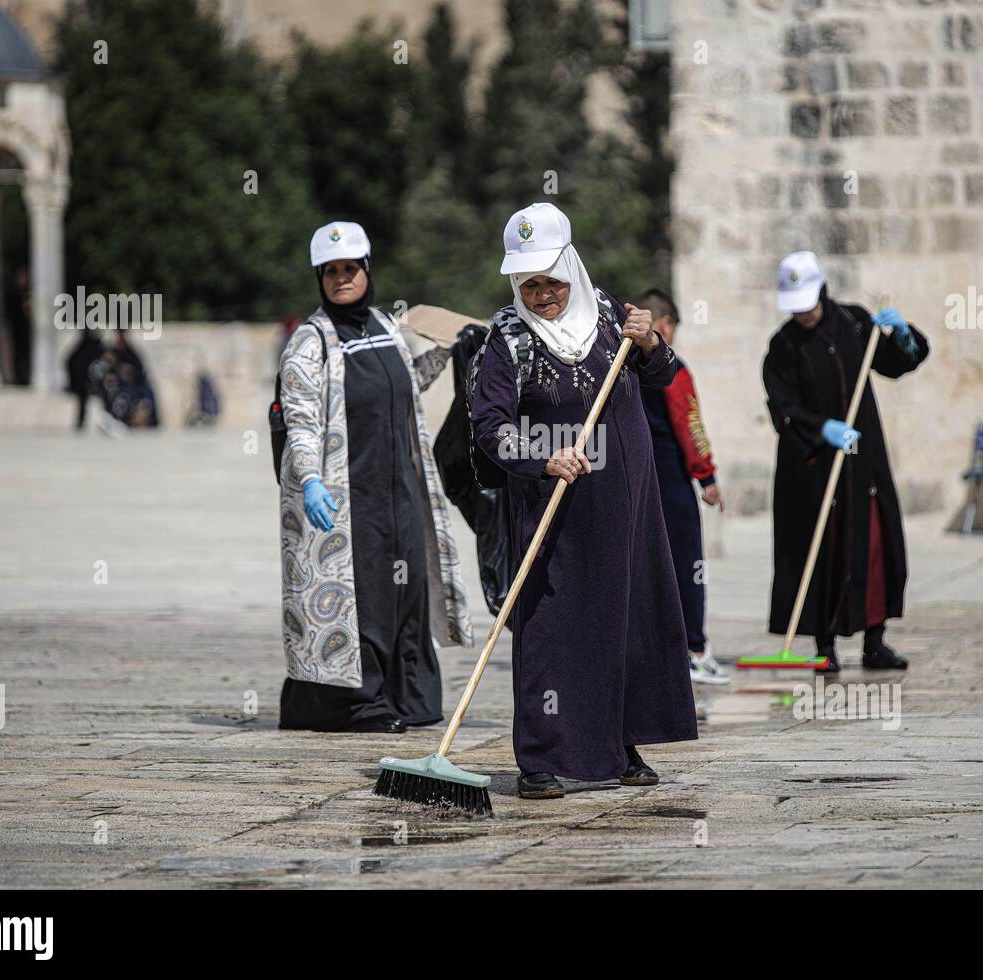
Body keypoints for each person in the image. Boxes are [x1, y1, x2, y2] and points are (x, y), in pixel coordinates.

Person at [470, 203, 697, 799]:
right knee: (551, 626)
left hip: (624, 498)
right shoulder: (508, 338)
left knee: (624, 617)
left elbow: (664, 376)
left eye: (551, 280)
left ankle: (622, 745)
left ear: (572, 266)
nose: (542, 294)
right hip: (554, 502)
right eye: (529, 283)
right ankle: (542, 757)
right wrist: (541, 458)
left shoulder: (607, 313)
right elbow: (489, 424)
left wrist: (649, 343)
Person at [277, 220, 472, 733]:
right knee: (365, 601)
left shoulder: (385, 327)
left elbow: (408, 384)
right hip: (347, 497)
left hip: (400, 493)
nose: (342, 279)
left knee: (406, 595)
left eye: (350, 269)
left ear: (367, 271)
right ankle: (361, 704)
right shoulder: (311, 342)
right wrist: (310, 481)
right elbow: (300, 419)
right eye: (331, 271)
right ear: (320, 277)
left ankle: (409, 700)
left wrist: (451, 351)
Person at [762, 251, 929, 672]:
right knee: (822, 550)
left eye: (809, 303)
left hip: (863, 460)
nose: (803, 314)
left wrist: (904, 339)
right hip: (814, 467)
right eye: (795, 307)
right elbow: (783, 407)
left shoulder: (856, 323)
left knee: (874, 544)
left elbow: (894, 364)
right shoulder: (783, 346)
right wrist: (822, 429)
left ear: (823, 290)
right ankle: (825, 646)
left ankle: (875, 641)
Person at [634, 288, 728, 686]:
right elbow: (689, 423)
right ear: (665, 325)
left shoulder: (618, 366)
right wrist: (706, 476)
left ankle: (652, 651)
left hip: (634, 479)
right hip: (670, 480)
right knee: (688, 565)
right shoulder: (672, 367)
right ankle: (694, 650)